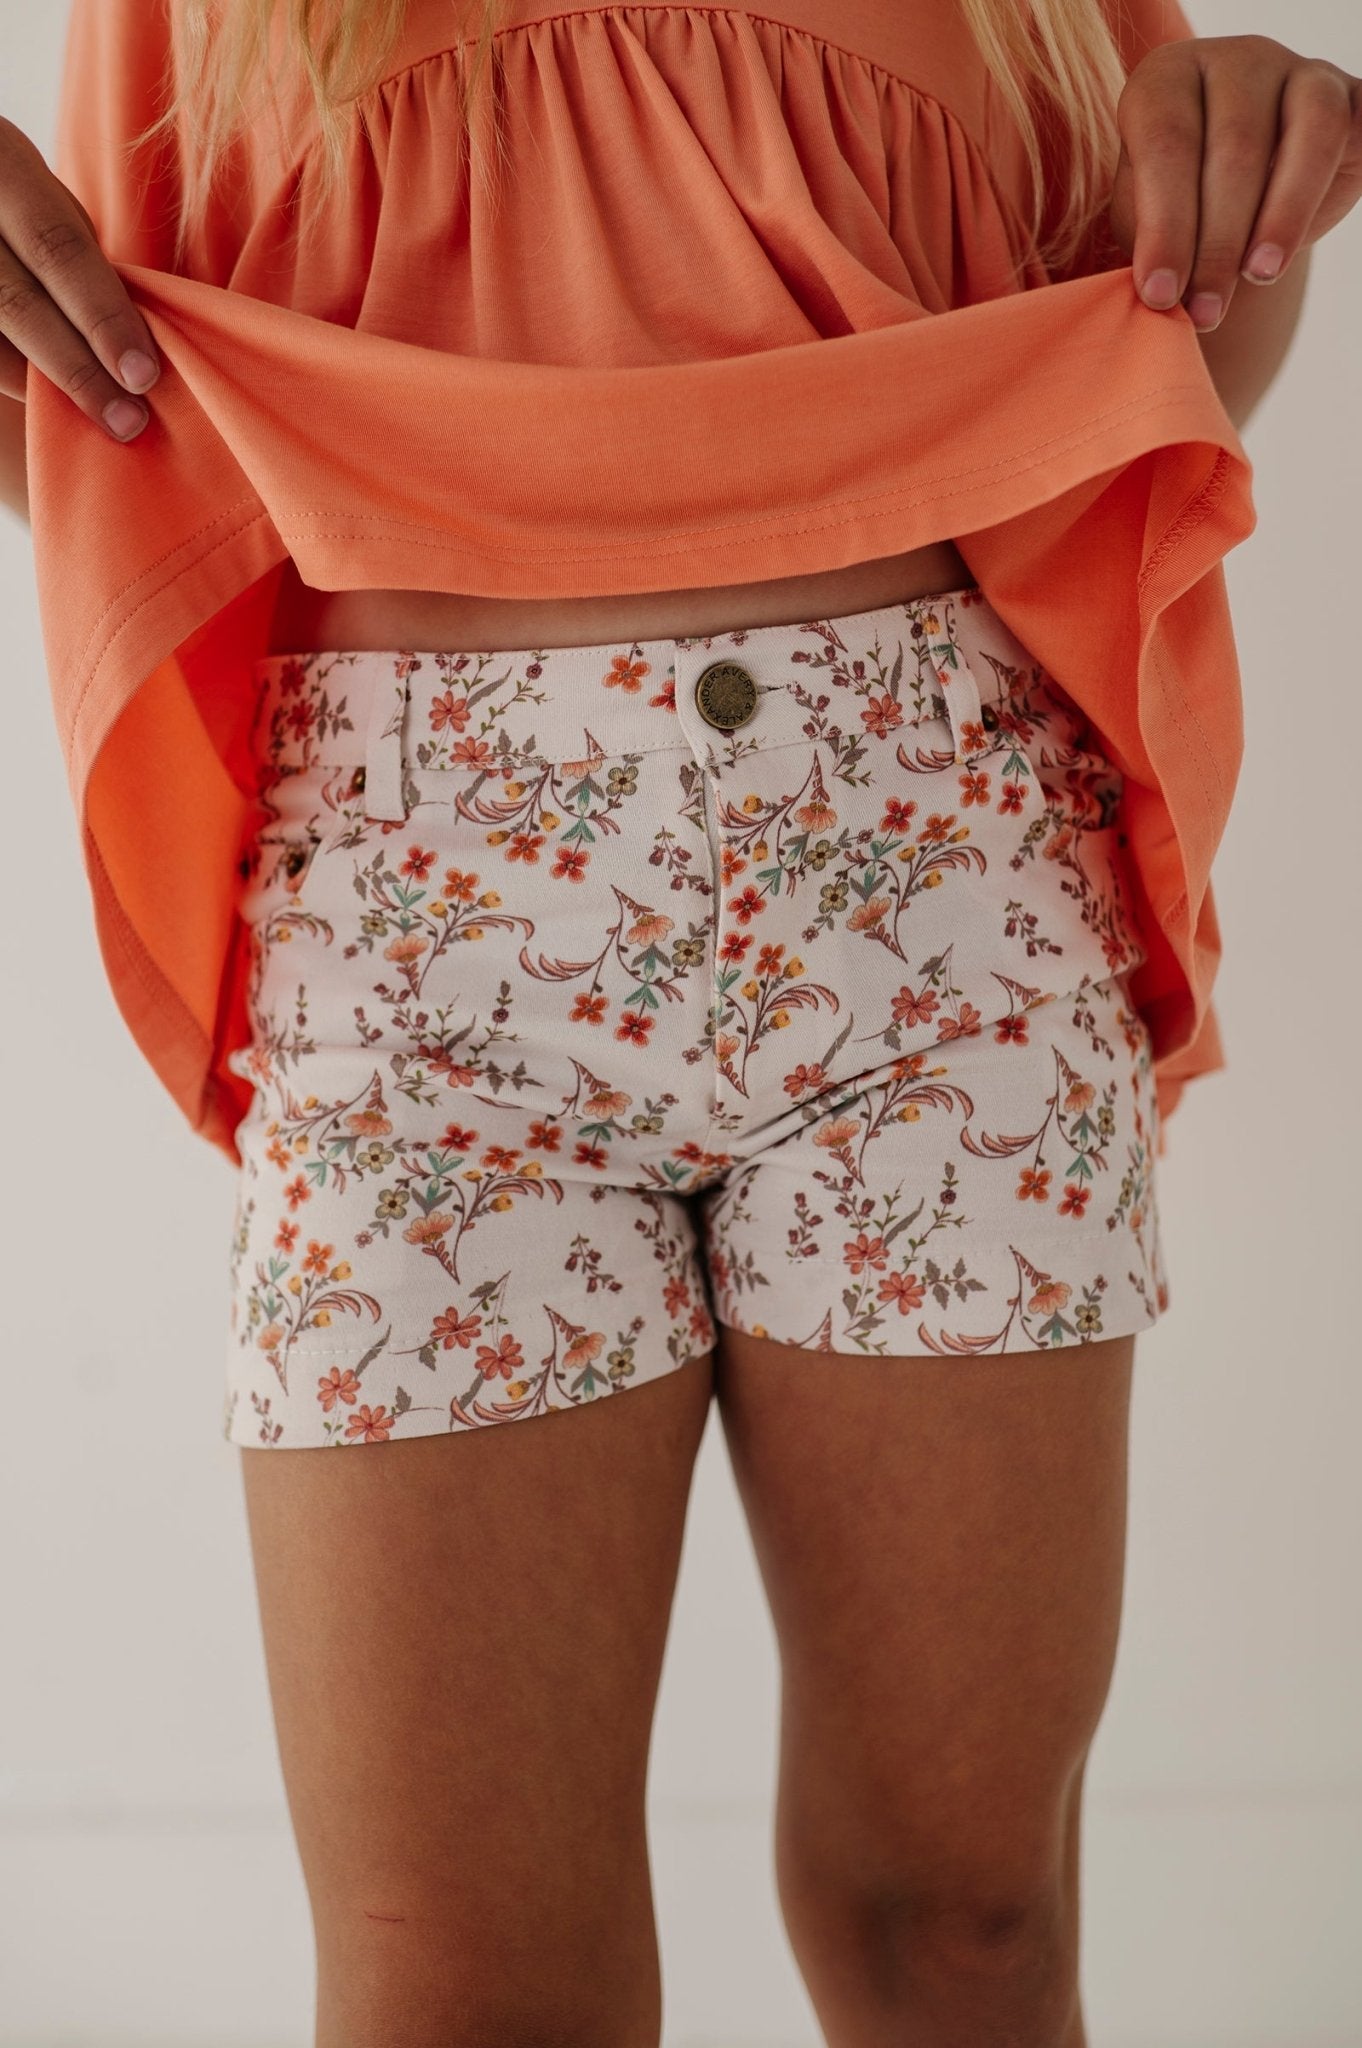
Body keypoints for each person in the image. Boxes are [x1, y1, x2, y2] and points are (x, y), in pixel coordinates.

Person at [1, 3, 1356, 2042]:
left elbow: (1137, 367)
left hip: (933, 897)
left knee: (965, 1925)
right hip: (428, 953)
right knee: (458, 1995)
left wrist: (1254, 186)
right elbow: (116, 418)